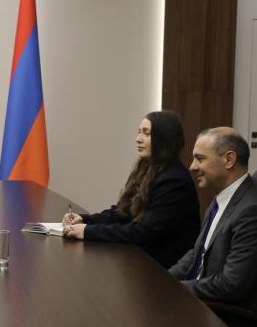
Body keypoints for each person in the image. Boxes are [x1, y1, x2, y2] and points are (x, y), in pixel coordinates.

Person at [169, 128, 257, 320]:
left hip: (220, 319)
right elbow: (198, 253)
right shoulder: (222, 198)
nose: (192, 166)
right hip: (201, 301)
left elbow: (230, 285)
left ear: (229, 160)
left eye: (200, 159)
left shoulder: (254, 212)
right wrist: (165, 279)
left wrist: (177, 288)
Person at [62, 111, 200, 268]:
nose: (138, 139)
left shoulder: (174, 180)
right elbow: (123, 212)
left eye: (146, 133)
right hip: (140, 260)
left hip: (163, 270)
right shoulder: (146, 168)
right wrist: (85, 220)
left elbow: (145, 232)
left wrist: (88, 231)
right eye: (139, 132)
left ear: (164, 139)